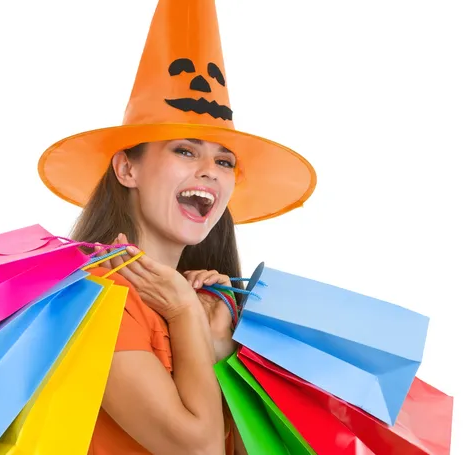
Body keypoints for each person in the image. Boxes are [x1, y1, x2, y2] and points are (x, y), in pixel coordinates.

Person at [36, 1, 316, 454]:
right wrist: (185, 314)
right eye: (185, 151)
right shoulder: (96, 297)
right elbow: (198, 450)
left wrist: (221, 346)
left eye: (224, 161)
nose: (210, 170)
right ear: (127, 169)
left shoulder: (210, 308)